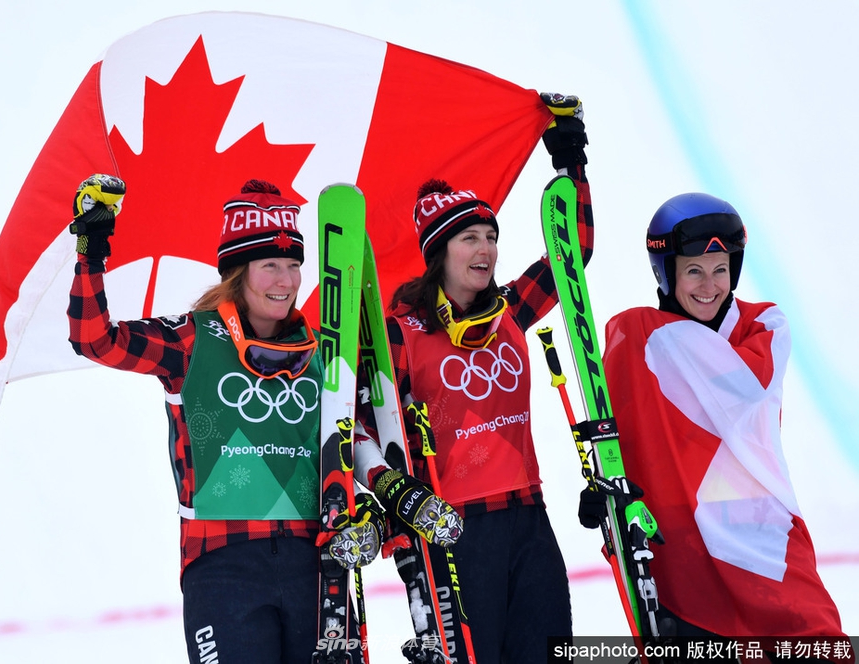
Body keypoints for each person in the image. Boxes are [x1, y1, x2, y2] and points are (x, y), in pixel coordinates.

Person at [67, 176, 383, 664]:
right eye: (270, 265)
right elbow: (94, 339)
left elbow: (350, 438)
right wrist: (91, 248)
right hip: (223, 567)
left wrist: (383, 498)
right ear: (238, 271)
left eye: (294, 265)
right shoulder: (190, 342)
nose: (286, 280)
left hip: (315, 566)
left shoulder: (323, 350)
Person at [353, 93, 591, 664]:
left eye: (491, 236)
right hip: (453, 532)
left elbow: (572, 248)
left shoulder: (508, 311)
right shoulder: (401, 333)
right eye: (470, 238)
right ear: (440, 253)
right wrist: (392, 491)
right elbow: (356, 431)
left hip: (529, 521)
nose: (486, 249)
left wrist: (569, 160)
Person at [601, 193, 848, 647]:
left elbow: (744, 387)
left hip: (762, 535)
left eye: (721, 269)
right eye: (693, 270)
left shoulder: (763, 327)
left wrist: (657, 336)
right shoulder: (634, 340)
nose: (709, 285)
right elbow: (624, 433)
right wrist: (607, 492)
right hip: (680, 544)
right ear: (666, 272)